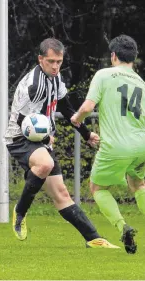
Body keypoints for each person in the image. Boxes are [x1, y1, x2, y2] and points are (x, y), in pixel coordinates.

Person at [4, 38, 119, 248]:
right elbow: (22, 121)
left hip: (41, 141)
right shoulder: (34, 84)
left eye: (59, 61)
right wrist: (46, 137)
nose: (56, 66)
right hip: (19, 138)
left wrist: (86, 133)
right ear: (40, 59)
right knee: (44, 164)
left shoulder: (56, 79)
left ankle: (93, 239)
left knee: (62, 194)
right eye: (51, 61)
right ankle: (20, 212)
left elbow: (66, 109)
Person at [71, 34, 145, 254]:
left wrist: (77, 119)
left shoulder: (104, 75)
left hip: (116, 146)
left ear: (113, 55)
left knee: (97, 187)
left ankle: (123, 227)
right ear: (134, 58)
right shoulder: (141, 83)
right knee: (139, 185)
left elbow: (87, 106)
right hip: (141, 145)